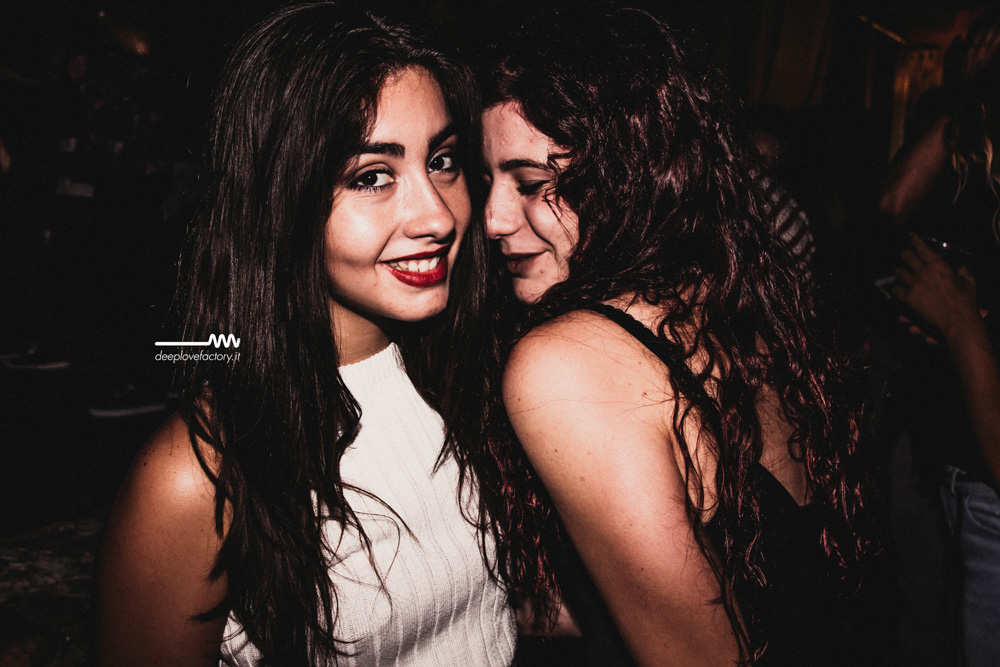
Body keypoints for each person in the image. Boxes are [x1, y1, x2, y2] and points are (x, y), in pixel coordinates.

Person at [96, 4, 516, 665]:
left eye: (442, 160)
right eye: (372, 176)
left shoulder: (477, 376)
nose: (437, 215)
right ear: (281, 195)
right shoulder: (197, 476)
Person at [463, 7, 876, 665]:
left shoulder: (568, 363)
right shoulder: (722, 303)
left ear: (628, 174)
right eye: (488, 181)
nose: (492, 219)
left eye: (533, 184)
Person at [881, 12, 1000, 665]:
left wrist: (959, 324)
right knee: (923, 610)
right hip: (945, 437)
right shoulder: (967, 139)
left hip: (985, 478)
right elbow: (895, 199)